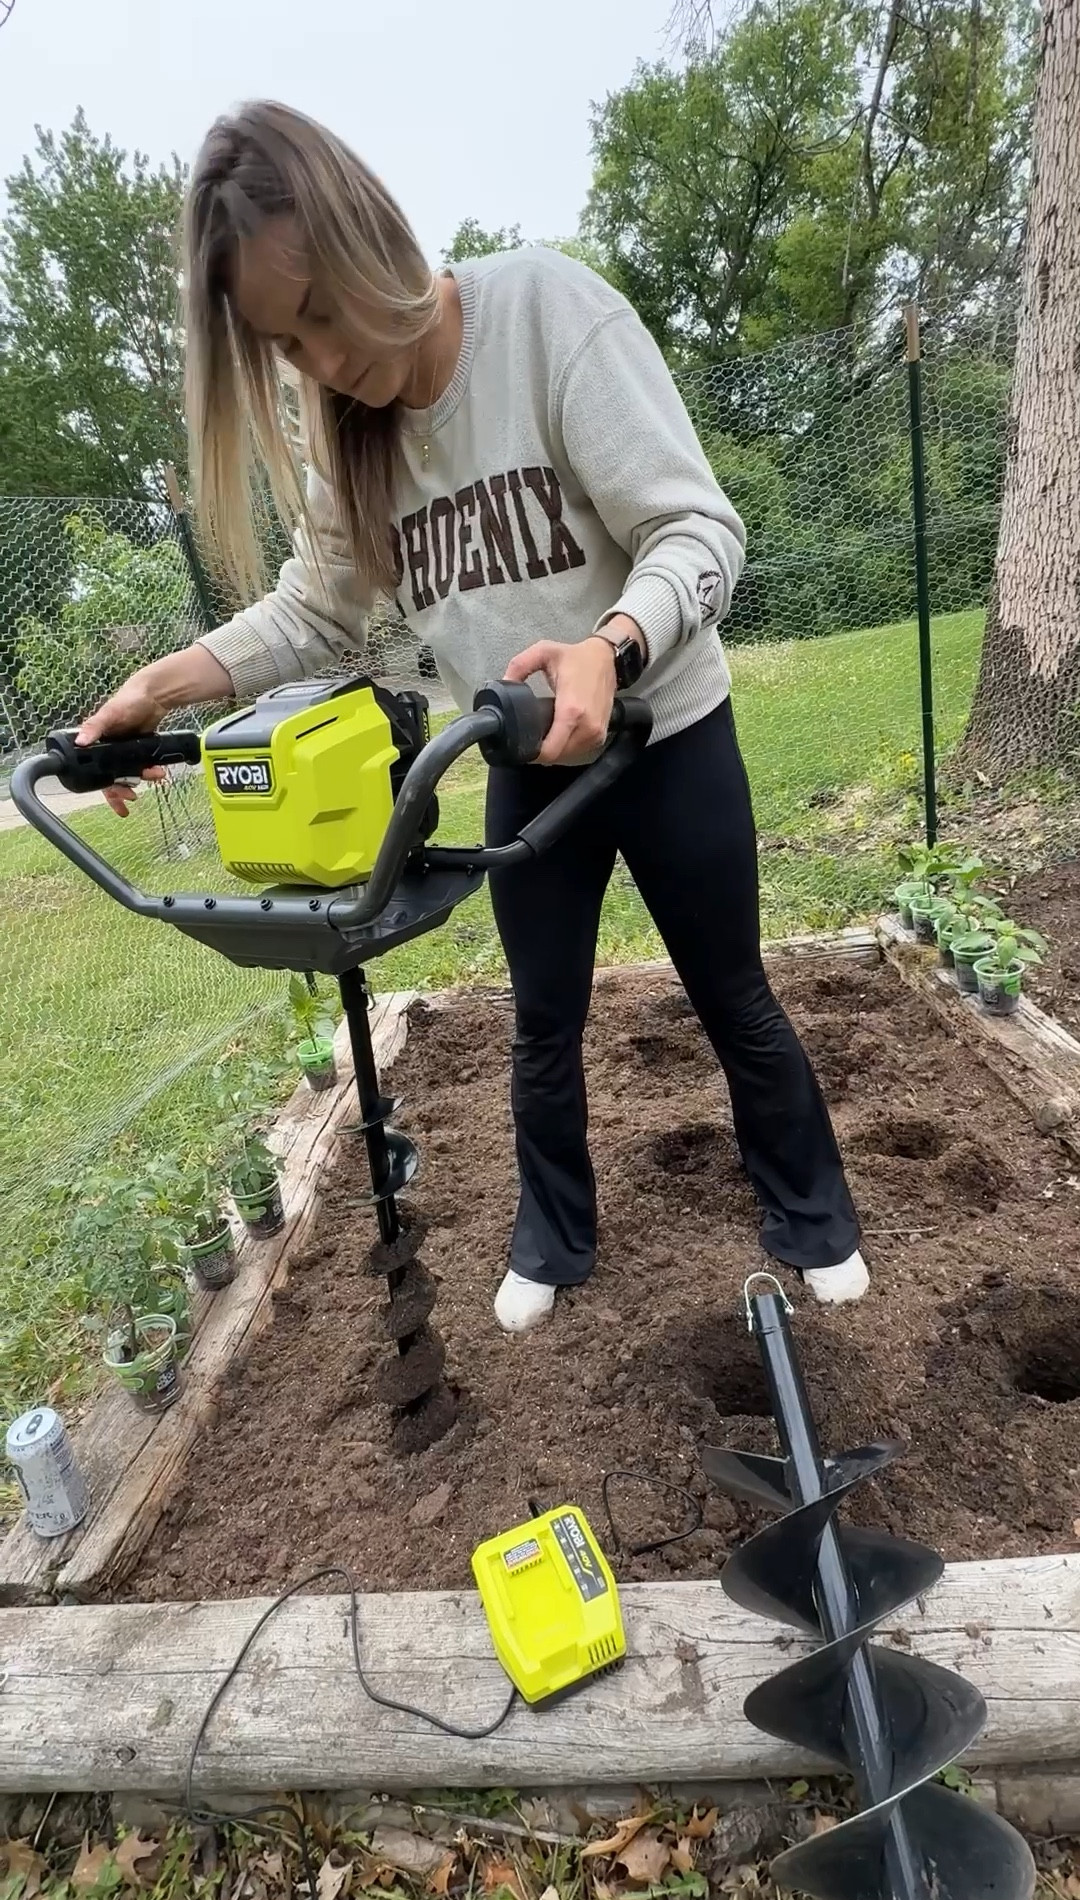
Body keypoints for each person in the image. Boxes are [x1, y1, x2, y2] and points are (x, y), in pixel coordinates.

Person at [79, 100, 868, 1332]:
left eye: (327, 312)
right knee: (541, 1022)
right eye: (292, 346)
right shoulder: (349, 433)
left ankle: (811, 1214)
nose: (328, 363)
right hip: (525, 758)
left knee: (732, 991)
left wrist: (613, 646)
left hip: (664, 728)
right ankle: (553, 1241)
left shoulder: (548, 314)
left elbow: (700, 529)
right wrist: (162, 683)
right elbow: (314, 615)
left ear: (371, 237)